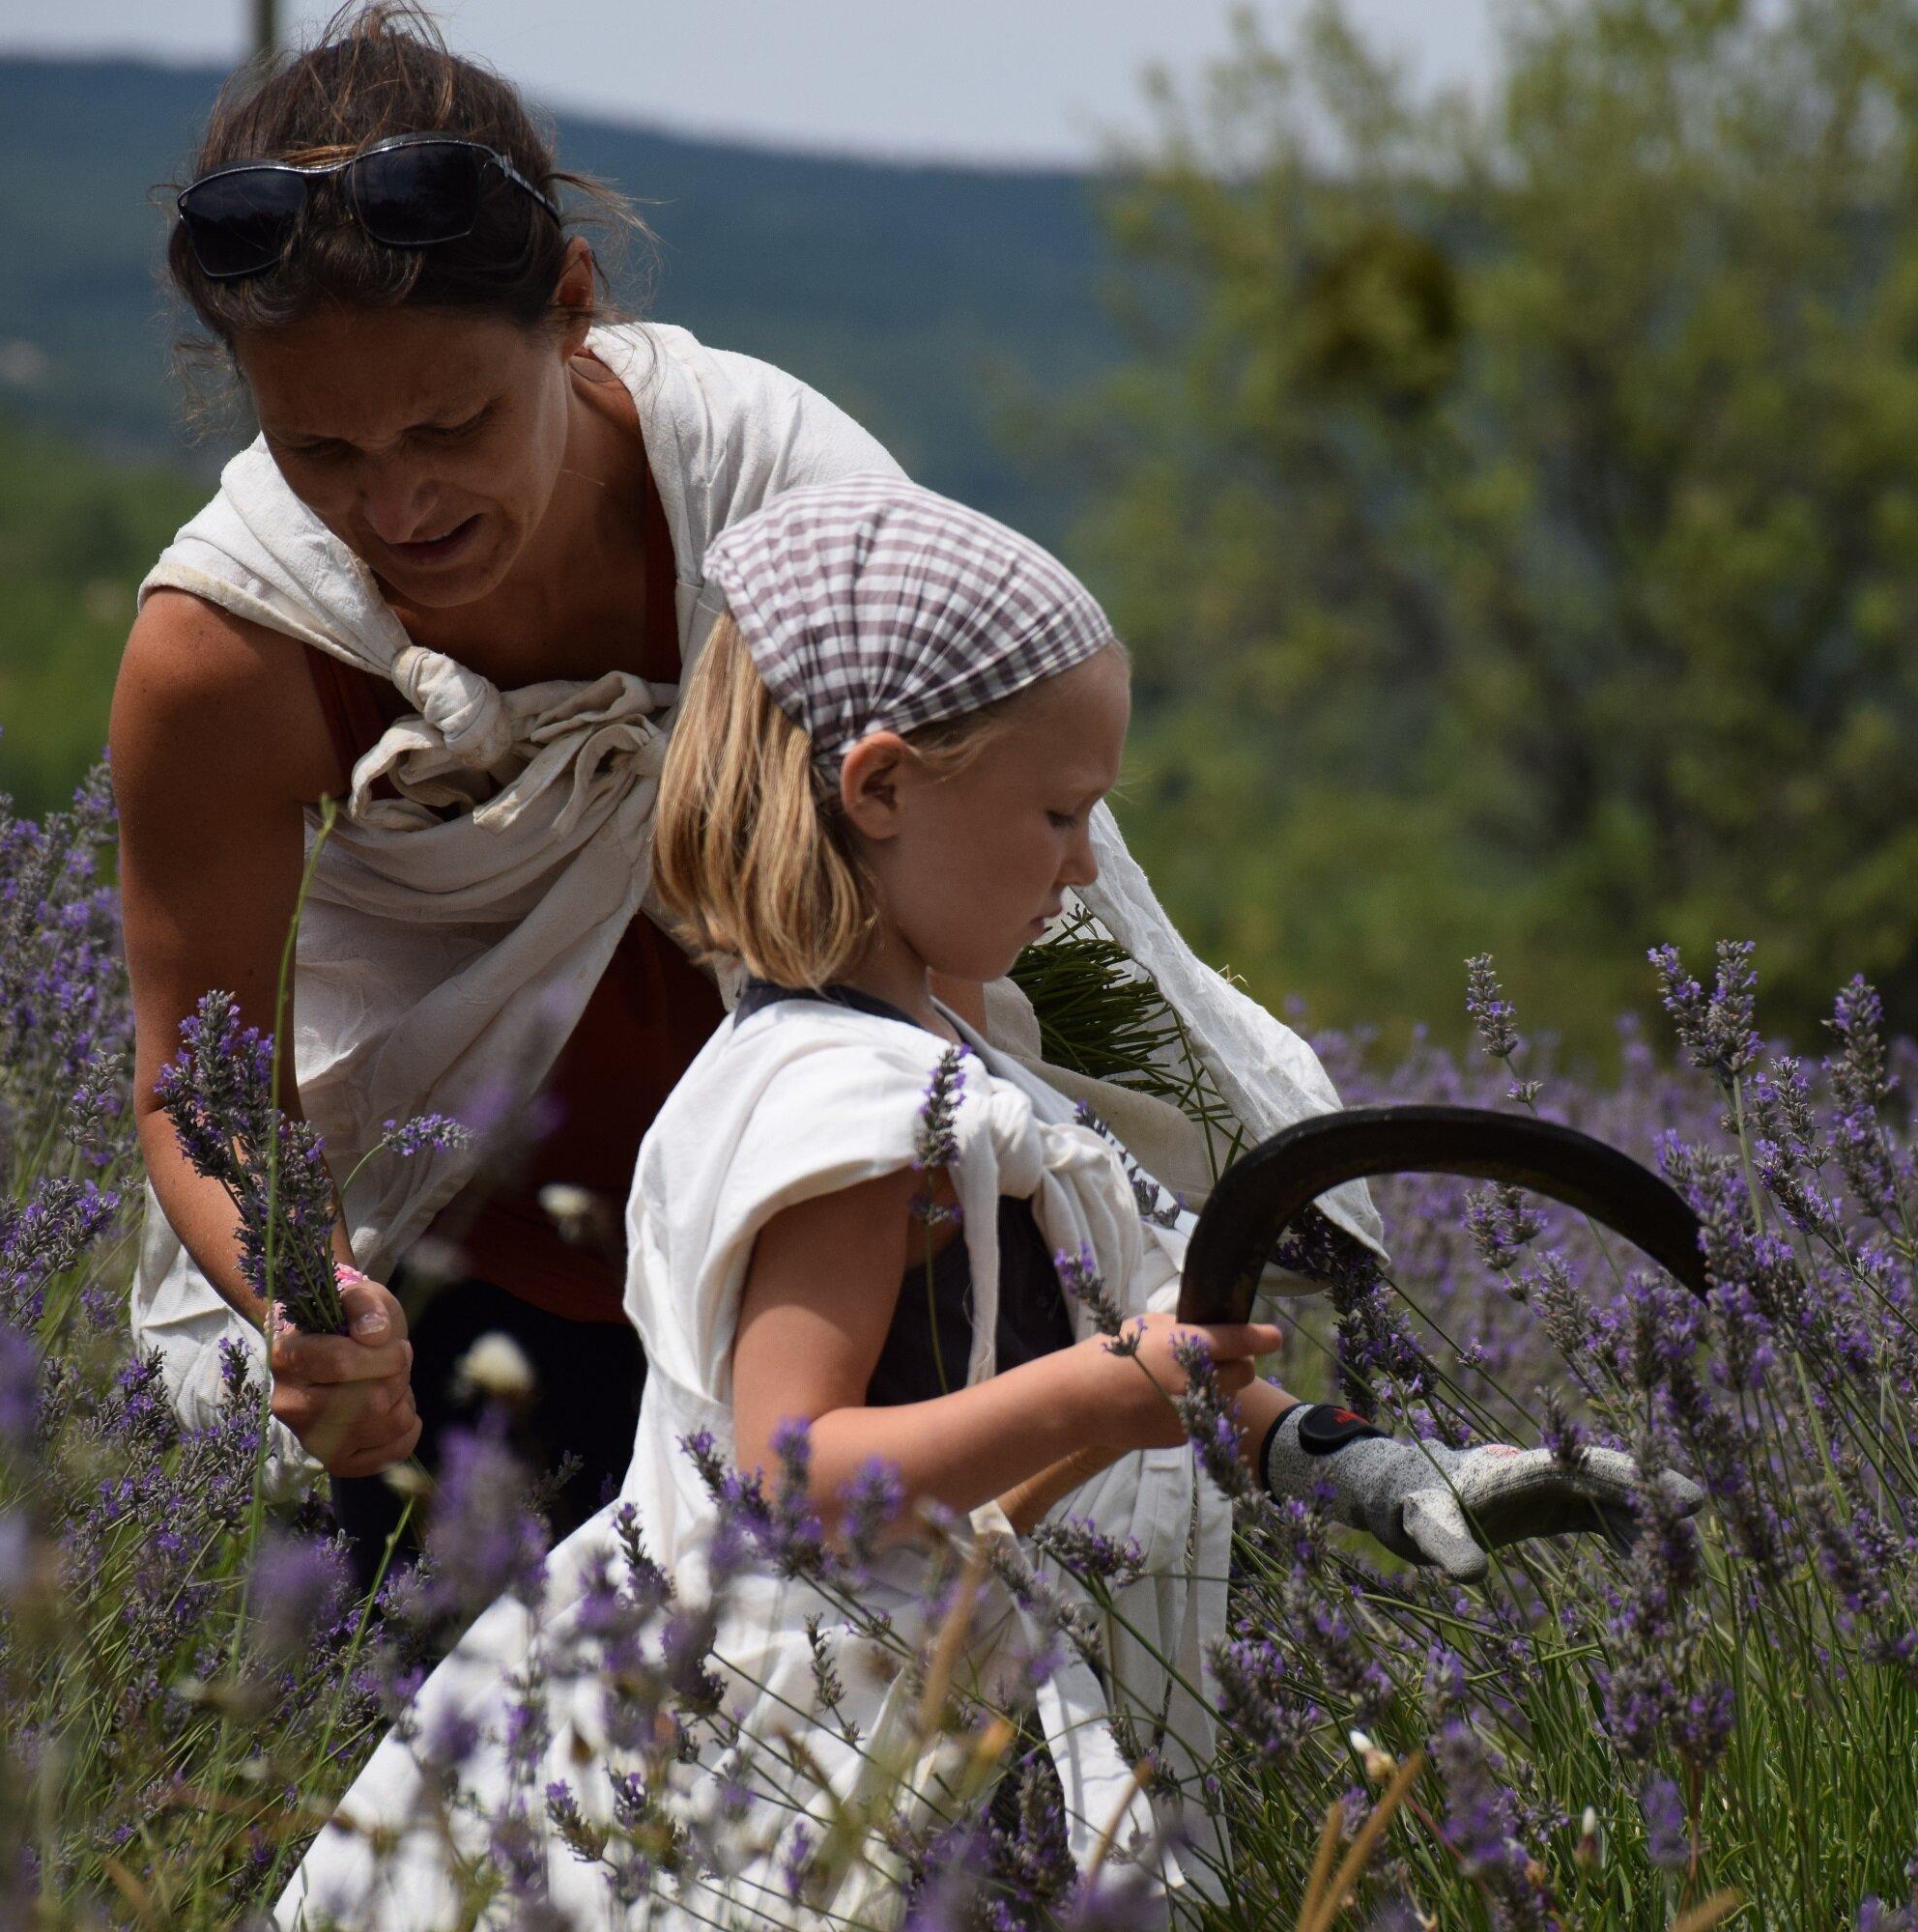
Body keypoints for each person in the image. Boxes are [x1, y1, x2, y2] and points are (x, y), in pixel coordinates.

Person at [273, 476, 1700, 1928]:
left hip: (907, 1690)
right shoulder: (851, 1106)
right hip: (789, 1743)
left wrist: (1360, 1466)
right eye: (1060, 812)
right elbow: (790, 1470)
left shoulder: (934, 1067)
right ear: (881, 788)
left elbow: (1127, 1348)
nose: (1085, 864)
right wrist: (1094, 1397)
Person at [113, 2, 1393, 1588]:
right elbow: (206, 1081)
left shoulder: (773, 490)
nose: (398, 503)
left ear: (571, 313)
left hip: (851, 1277)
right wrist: (312, 1298)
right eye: (320, 450)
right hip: (451, 1296)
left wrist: (1202, 1230)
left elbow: (1029, 887)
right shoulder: (228, 649)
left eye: (452, 426)